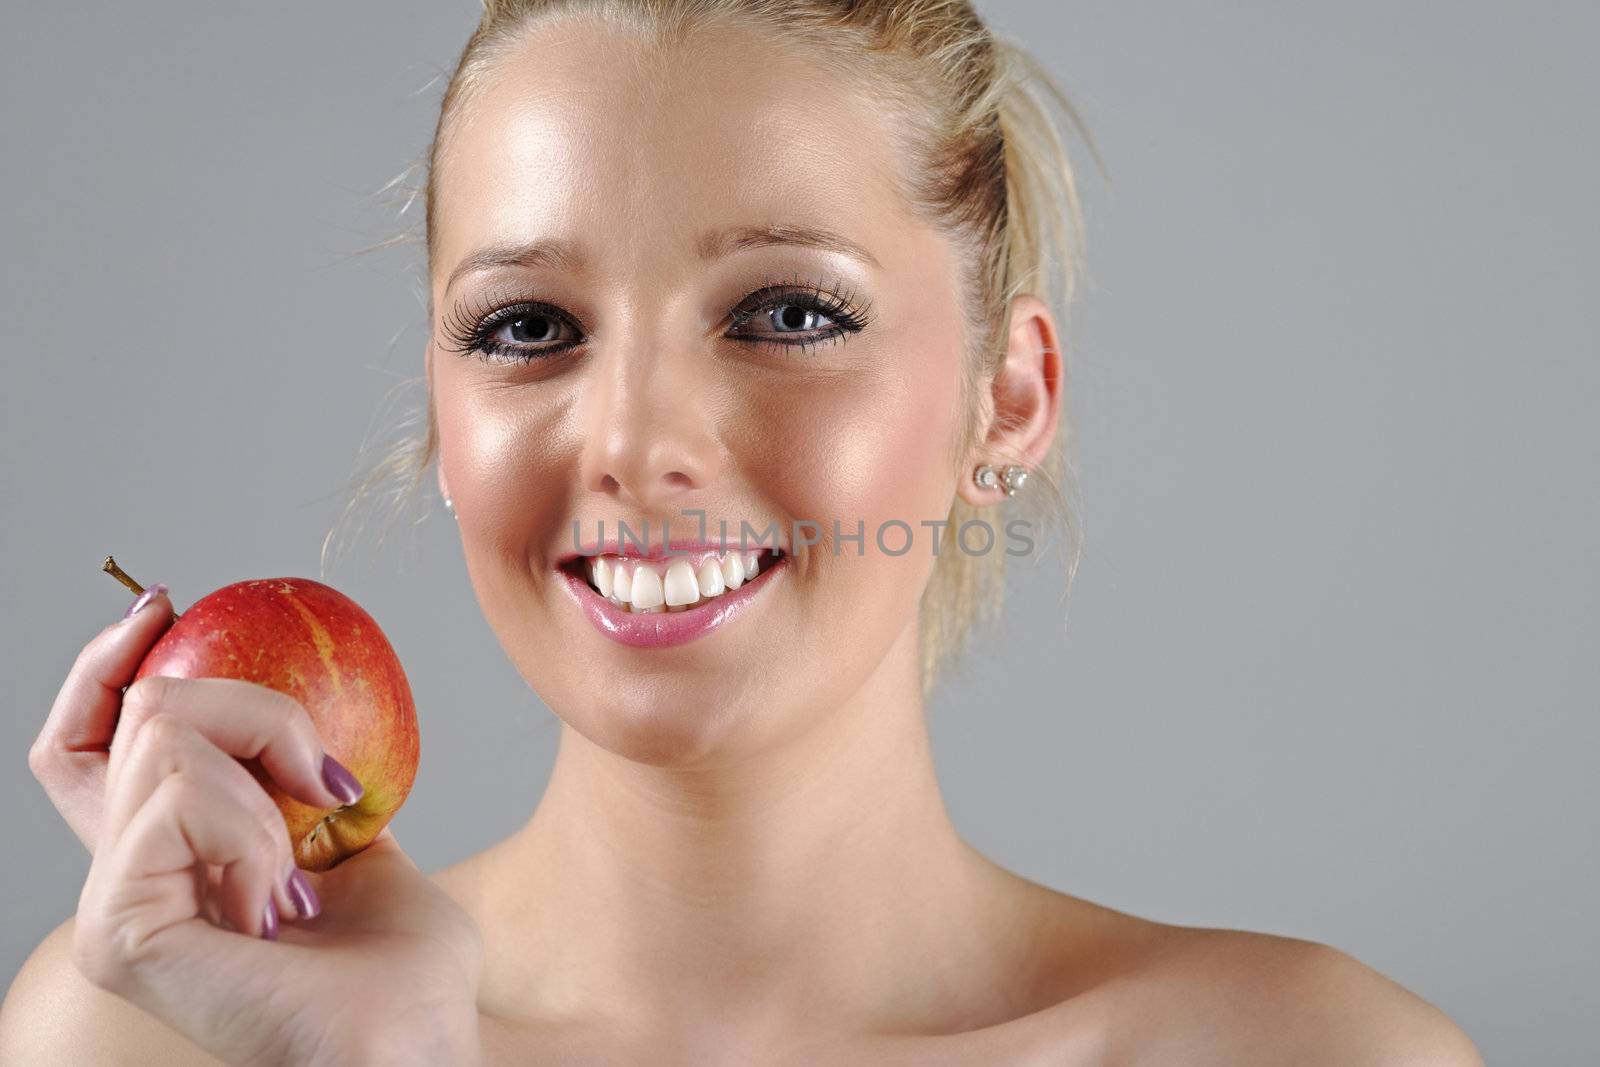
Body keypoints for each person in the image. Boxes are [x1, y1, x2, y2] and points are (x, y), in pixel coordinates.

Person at [1, 2, 1484, 1063]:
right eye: (529, 326)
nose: (637, 442)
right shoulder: (145, 1032)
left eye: (789, 313)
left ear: (1008, 400)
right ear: (446, 420)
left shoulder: (1317, 1055)